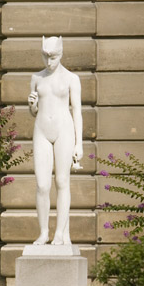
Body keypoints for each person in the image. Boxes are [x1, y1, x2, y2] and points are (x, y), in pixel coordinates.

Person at [28, 36, 83, 245]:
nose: (48, 62)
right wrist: (32, 105)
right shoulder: (36, 78)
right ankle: (44, 232)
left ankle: (60, 233)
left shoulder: (71, 79)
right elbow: (34, 112)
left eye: (52, 57)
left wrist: (79, 143)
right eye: (45, 57)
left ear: (60, 54)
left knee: (62, 181)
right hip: (41, 129)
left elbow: (77, 111)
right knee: (42, 185)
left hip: (64, 130)